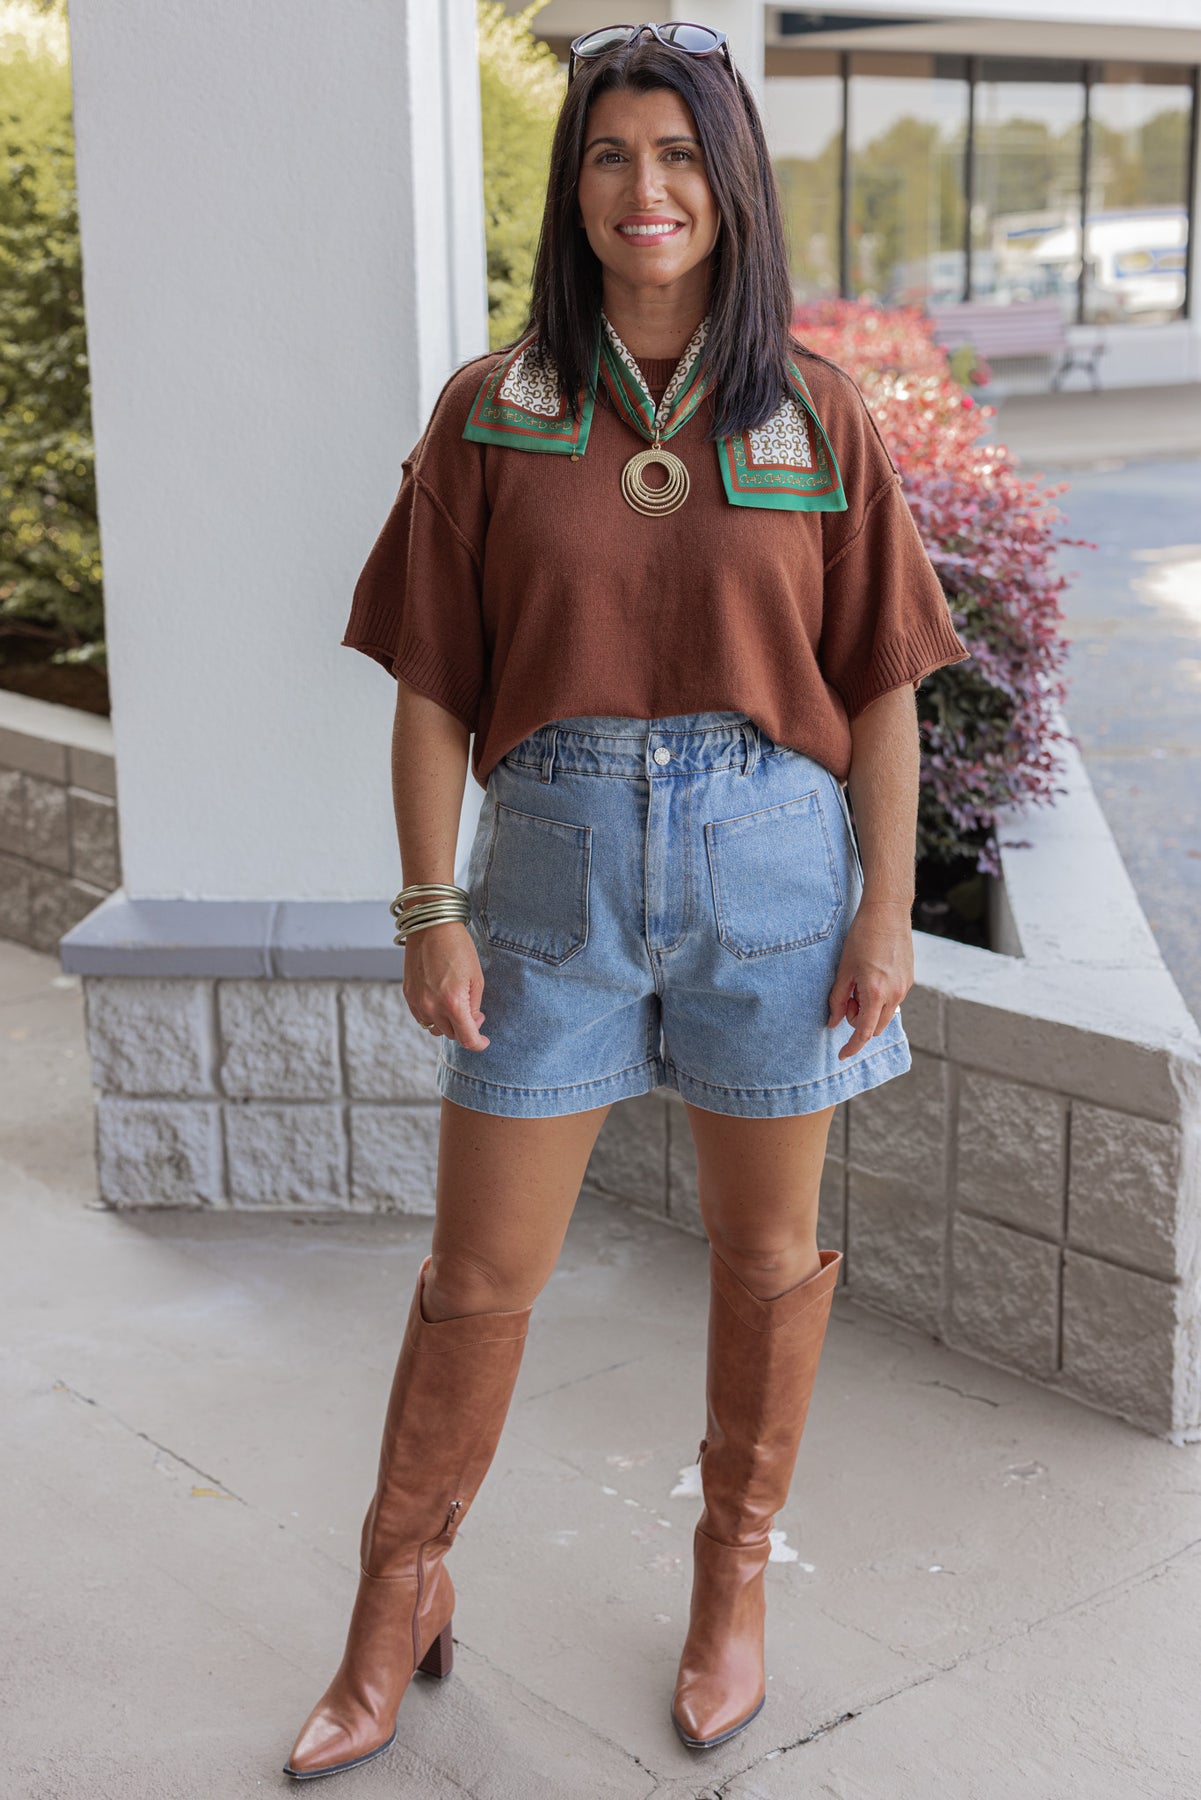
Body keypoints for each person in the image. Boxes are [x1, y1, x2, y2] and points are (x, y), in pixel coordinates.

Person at [283, 20, 971, 1781]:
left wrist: (885, 913)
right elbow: (431, 686)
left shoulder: (813, 410)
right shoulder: (493, 408)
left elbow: (881, 686)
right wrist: (427, 906)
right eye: (607, 154)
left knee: (766, 1258)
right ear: (572, 186)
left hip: (775, 878)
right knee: (476, 1274)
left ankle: (730, 1582)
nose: (641, 188)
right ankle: (396, 1594)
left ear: (727, 183)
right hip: (548, 880)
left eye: (675, 155)